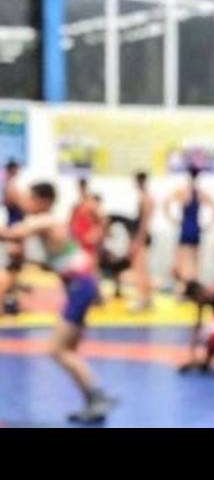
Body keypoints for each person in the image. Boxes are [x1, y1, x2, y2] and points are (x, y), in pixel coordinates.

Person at [0, 183, 117, 424]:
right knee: (67, 350)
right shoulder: (51, 223)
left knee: (58, 349)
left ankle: (97, 397)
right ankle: (94, 398)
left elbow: (12, 234)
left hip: (80, 287)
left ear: (43, 201)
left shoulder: (45, 220)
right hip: (81, 286)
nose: (25, 203)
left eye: (29, 198)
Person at [164, 166, 214, 291]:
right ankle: (192, 288)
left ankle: (183, 288)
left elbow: (166, 203)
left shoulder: (183, 192)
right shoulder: (200, 194)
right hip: (195, 228)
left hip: (186, 227)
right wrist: (208, 225)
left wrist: (173, 220)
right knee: (195, 259)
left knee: (181, 259)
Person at [0, 160, 28, 313]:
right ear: (13, 170)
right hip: (14, 230)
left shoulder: (9, 186)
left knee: (14, 268)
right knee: (11, 268)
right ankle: (4, 302)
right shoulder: (11, 187)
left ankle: (10, 299)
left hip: (15, 229)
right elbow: (23, 206)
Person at [129, 172, 155, 312]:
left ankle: (142, 299)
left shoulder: (146, 198)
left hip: (142, 237)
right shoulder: (145, 197)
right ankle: (147, 299)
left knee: (140, 270)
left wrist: (137, 241)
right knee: (142, 269)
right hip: (142, 236)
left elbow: (144, 223)